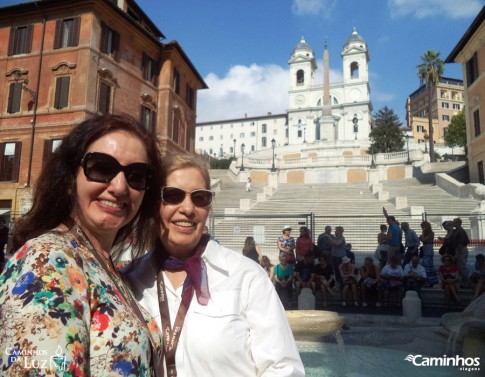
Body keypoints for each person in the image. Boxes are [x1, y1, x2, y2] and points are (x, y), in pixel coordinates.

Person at [0, 114, 163, 376]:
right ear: (68, 179)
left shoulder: (103, 264)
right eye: (101, 167)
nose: (120, 187)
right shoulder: (48, 259)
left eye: (136, 175)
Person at [124, 154, 304, 377]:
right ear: (153, 206)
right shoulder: (129, 280)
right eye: (173, 195)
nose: (188, 208)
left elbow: (284, 369)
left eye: (200, 198)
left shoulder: (247, 276)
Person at [419, 221, 439, 287]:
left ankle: (430, 281)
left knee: (428, 265)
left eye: (423, 227)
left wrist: (421, 236)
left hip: (429, 249)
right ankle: (427, 280)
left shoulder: (431, 233)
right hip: (425, 249)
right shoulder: (425, 233)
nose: (422, 228)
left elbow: (424, 240)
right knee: (425, 265)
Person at [452, 217, 470, 287]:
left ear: (459, 223)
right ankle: (463, 282)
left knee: (461, 266)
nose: (453, 223)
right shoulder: (456, 231)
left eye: (454, 222)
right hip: (459, 249)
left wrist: (457, 251)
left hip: (461, 250)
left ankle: (468, 281)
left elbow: (461, 242)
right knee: (458, 266)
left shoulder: (461, 231)